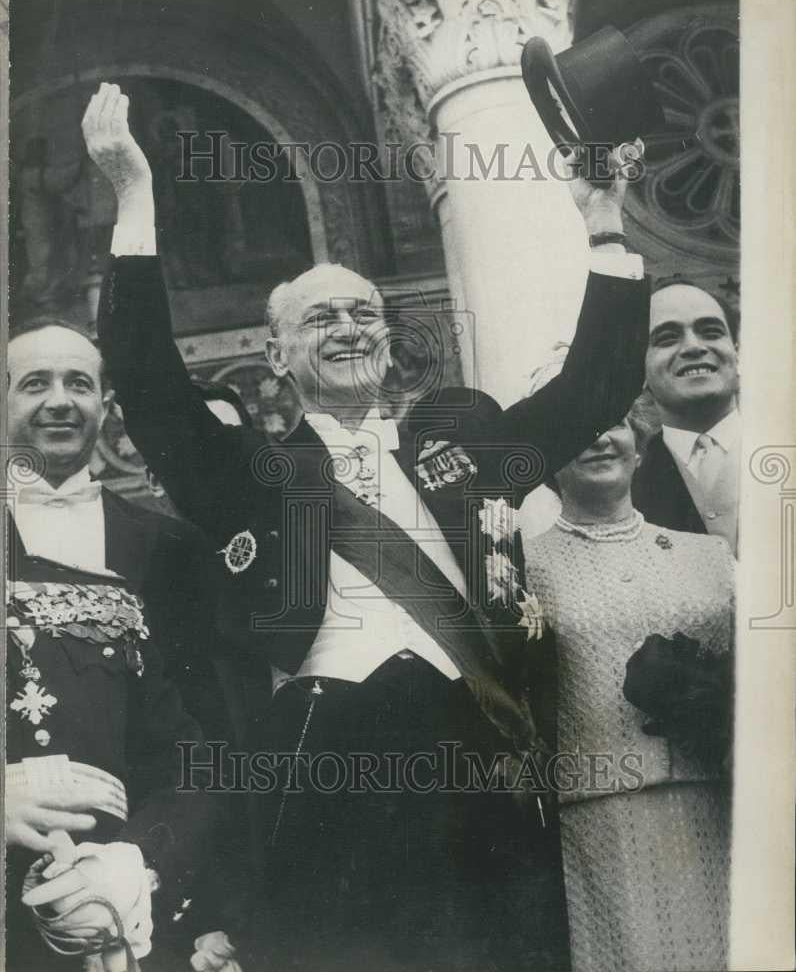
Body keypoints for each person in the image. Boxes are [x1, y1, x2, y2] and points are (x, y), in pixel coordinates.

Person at [85, 80, 650, 970]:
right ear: (275, 355)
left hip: (481, 748)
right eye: (320, 318)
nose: (348, 328)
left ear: (389, 338)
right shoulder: (248, 475)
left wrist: (606, 221)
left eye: (364, 313)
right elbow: (150, 384)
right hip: (325, 757)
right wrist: (133, 196)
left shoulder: (461, 439)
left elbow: (595, 388)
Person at [5, 319, 220, 970]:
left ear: (108, 406)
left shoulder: (168, 548)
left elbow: (203, 743)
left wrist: (142, 863)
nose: (61, 400)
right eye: (35, 383)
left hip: (127, 904)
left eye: (79, 383)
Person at [523, 409, 735, 972]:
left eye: (613, 422)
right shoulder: (521, 569)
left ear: (639, 446)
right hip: (598, 822)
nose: (598, 436)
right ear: (548, 462)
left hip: (718, 808)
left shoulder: (709, 557)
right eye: (578, 425)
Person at [633, 277, 740, 554]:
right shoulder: (627, 480)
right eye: (667, 338)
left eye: (711, 332)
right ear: (637, 370)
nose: (693, 346)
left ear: (737, 352)